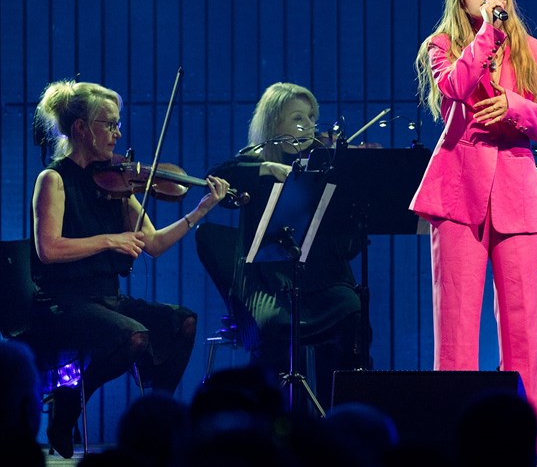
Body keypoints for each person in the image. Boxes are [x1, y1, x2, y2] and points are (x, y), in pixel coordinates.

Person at [409, 0, 537, 456]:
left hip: (516, 195)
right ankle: (453, 436)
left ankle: (532, 441)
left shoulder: (532, 49)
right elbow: (453, 86)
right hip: (457, 194)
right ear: (461, 0)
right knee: (455, 326)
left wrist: (515, 109)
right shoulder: (440, 46)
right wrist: (487, 37)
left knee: (522, 326)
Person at [31, 80, 231, 458]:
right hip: (62, 302)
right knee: (133, 336)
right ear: (81, 129)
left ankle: (155, 420)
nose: (117, 133)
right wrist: (110, 240)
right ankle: (69, 401)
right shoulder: (53, 180)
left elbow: (153, 244)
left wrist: (199, 210)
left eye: (117, 124)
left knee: (182, 322)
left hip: (107, 299)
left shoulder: (118, 181)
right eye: (109, 125)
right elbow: (48, 249)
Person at [207, 82, 365, 409]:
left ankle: (339, 411)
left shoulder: (320, 166)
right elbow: (219, 176)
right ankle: (278, 422)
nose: (309, 126)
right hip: (266, 283)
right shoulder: (251, 163)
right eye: (298, 118)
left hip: (317, 281)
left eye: (311, 118)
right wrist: (269, 169)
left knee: (351, 304)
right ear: (273, 124)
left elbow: (346, 247)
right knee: (275, 327)